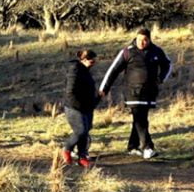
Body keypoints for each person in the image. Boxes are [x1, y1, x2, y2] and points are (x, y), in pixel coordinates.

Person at [99, 28, 172, 159]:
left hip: (149, 92)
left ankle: (132, 146)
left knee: (140, 118)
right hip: (132, 92)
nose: (142, 43)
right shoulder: (127, 52)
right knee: (140, 119)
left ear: (149, 39)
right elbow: (113, 70)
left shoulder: (157, 51)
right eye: (139, 40)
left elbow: (167, 65)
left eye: (145, 40)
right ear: (136, 39)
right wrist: (104, 88)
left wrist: (161, 79)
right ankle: (147, 147)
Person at [62, 49, 99, 168]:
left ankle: (82, 157)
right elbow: (70, 92)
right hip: (74, 107)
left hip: (86, 107)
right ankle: (67, 149)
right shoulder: (75, 70)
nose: (92, 61)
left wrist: (96, 98)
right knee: (80, 131)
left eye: (93, 59)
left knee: (85, 131)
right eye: (89, 59)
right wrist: (77, 106)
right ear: (82, 59)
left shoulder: (86, 71)